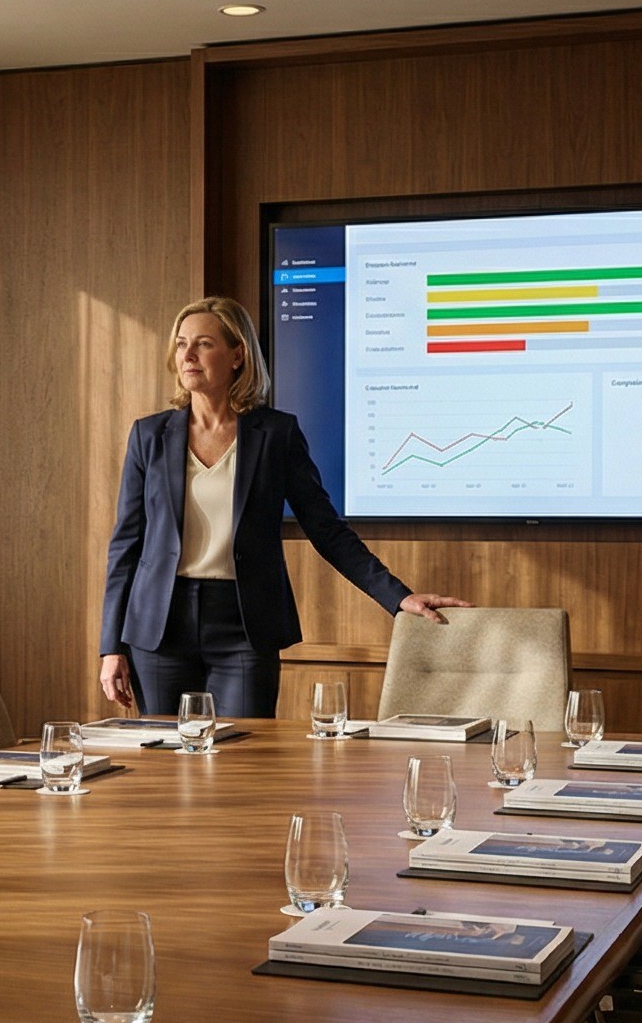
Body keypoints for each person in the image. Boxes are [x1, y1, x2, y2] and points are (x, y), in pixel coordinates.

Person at [98, 296, 468, 719]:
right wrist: (111, 646)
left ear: (237, 354)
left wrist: (397, 596)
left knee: (244, 763)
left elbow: (326, 528)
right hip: (158, 627)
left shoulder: (275, 434)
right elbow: (125, 545)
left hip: (244, 625)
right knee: (164, 764)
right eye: (181, 344)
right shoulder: (149, 435)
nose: (188, 355)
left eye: (203, 344)